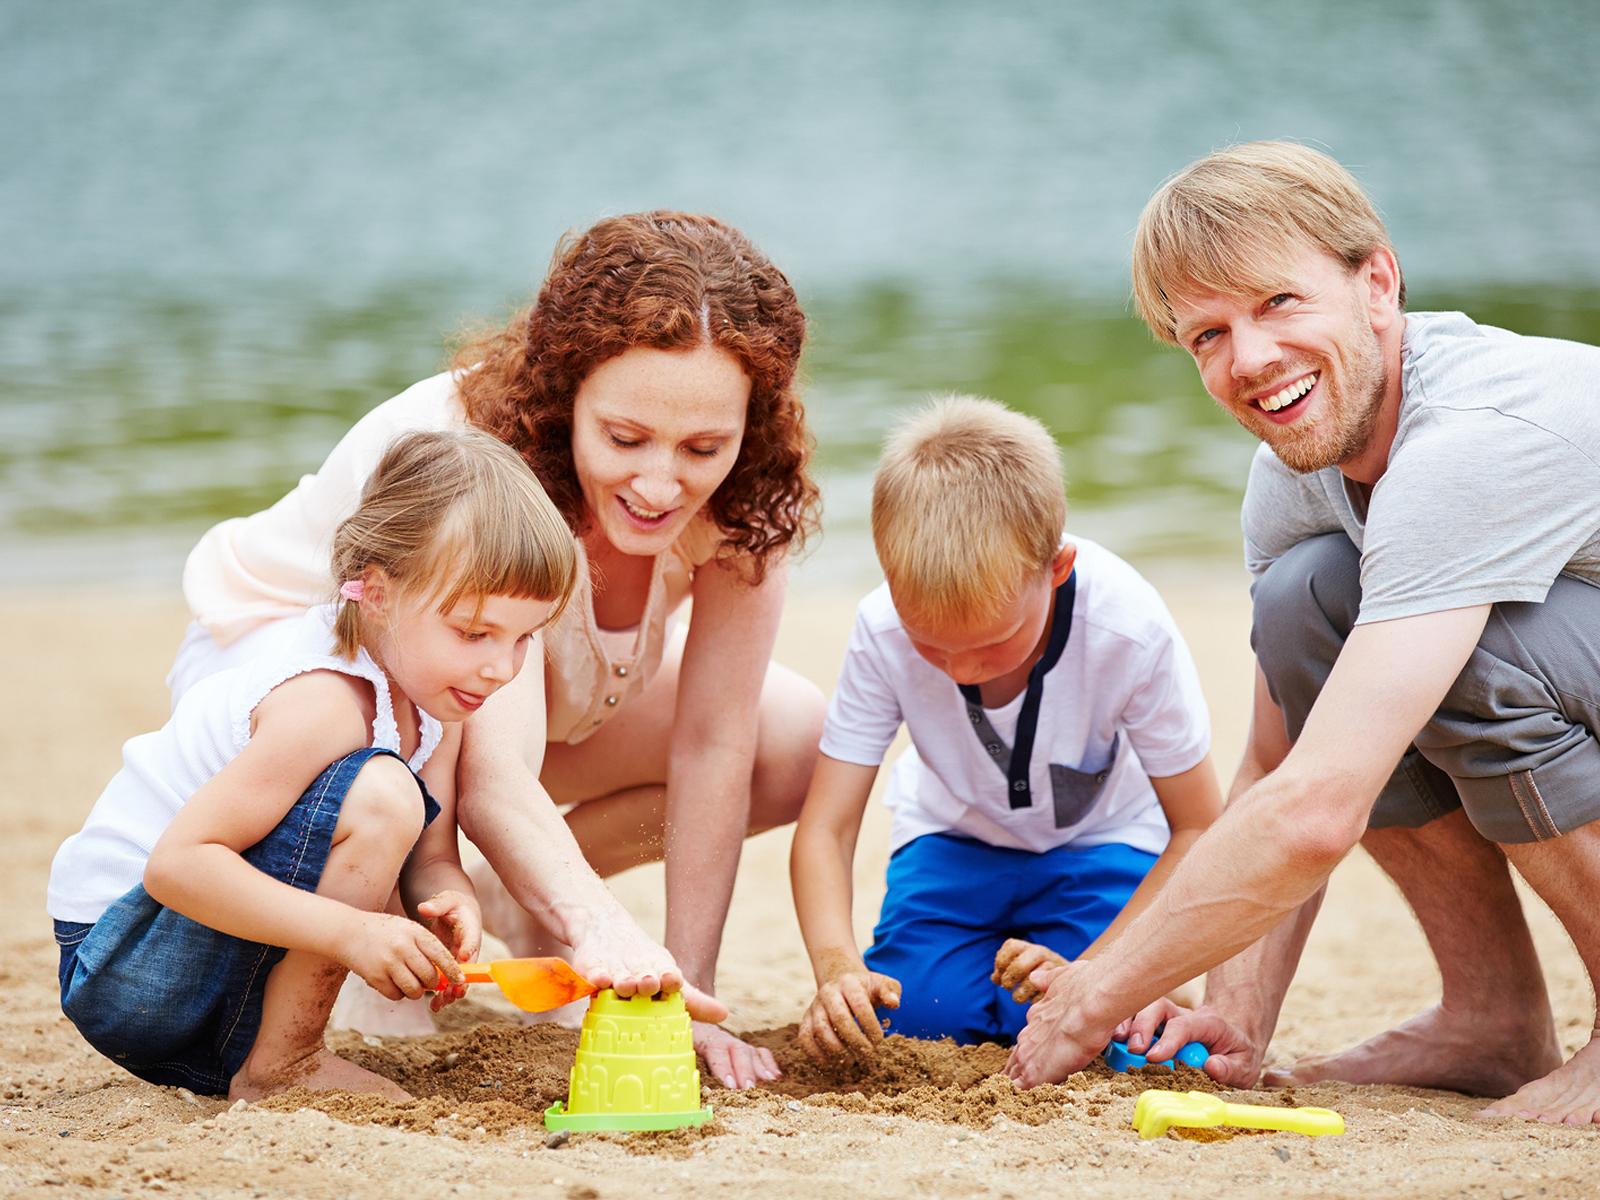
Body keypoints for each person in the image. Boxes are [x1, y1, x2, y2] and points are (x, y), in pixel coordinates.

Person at [1004, 140, 1600, 1126]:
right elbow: (1278, 765)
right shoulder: (1295, 472)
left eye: (1278, 303)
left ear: (1376, 282)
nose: (1249, 361)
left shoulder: (1469, 440)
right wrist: (1235, 1010)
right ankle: (1490, 1016)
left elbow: (1321, 808)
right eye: (1206, 334)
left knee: (1472, 653)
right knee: (1305, 602)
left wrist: (1093, 997)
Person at [171, 213, 823, 1089]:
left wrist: (683, 988)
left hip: (489, 696)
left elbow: (716, 740)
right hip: (328, 703)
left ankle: (526, 901)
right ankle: (395, 904)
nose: (662, 483)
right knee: (392, 821)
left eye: (704, 446)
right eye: (626, 439)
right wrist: (603, 930)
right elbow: (489, 772)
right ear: (565, 391)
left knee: (795, 742)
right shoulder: (479, 458)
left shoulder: (747, 495)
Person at [48, 430, 577, 1100]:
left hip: (215, 964)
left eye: (523, 636)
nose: (501, 668)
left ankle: (272, 1054)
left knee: (396, 803)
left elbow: (432, 856)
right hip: (126, 958)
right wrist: (355, 932)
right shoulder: (323, 700)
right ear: (379, 593)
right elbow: (176, 864)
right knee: (385, 796)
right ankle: (285, 1063)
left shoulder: (436, 701)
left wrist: (451, 904)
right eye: (474, 633)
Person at [790, 396, 1222, 1057]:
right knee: (915, 1022)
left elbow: (1197, 828)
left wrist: (1094, 975)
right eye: (930, 645)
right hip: (952, 840)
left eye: (992, 643)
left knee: (1104, 1036)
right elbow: (827, 825)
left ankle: (1156, 979)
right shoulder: (880, 629)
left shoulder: (1128, 627)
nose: (961, 670)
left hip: (1105, 844)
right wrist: (837, 969)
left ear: (1057, 570)